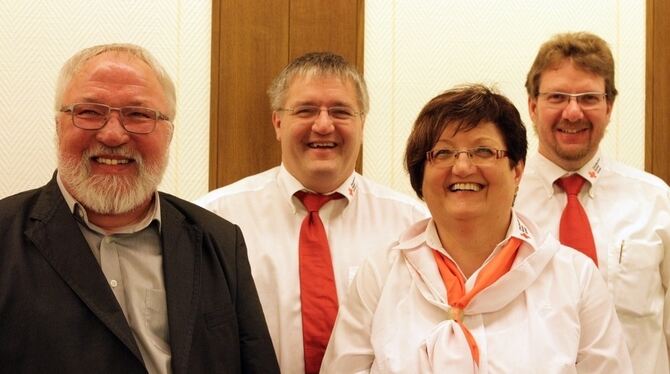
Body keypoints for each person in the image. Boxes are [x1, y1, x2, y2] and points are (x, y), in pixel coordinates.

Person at [0, 43, 279, 373]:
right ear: (59, 124)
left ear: (169, 132)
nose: (114, 134)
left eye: (139, 114)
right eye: (90, 111)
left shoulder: (219, 241)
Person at [321, 84, 632, 373]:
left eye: (483, 151)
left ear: (518, 170)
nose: (462, 167)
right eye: (443, 153)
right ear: (420, 174)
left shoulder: (574, 278)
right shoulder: (380, 275)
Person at [195, 52, 428, 373]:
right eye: (305, 110)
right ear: (278, 122)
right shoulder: (214, 220)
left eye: (341, 111)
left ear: (362, 123)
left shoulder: (413, 226)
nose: (323, 125)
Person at [515, 31, 670, 374]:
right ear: (532, 105)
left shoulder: (657, 202)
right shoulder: (501, 204)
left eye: (588, 98)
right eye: (557, 96)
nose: (573, 112)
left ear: (609, 106)